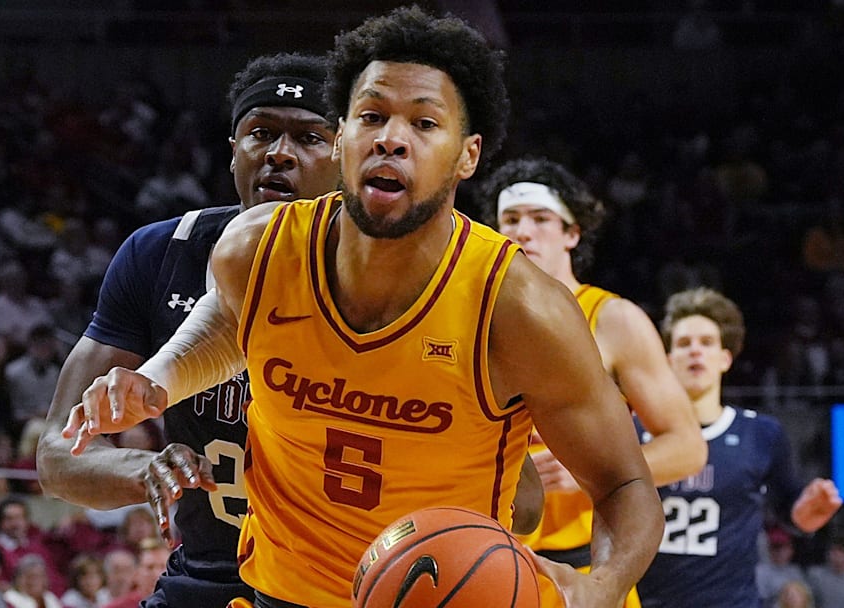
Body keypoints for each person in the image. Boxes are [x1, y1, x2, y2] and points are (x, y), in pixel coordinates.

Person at [63, 6, 664, 607]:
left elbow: (625, 483)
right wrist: (156, 381)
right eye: (372, 116)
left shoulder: (518, 307)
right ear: (344, 133)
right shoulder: (258, 248)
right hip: (277, 593)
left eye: (424, 123)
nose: (391, 138)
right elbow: (228, 326)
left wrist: (604, 587)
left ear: (468, 155)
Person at [37, 52, 341, 607]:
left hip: (342, 586)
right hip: (208, 575)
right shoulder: (161, 253)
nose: (279, 153)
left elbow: (521, 498)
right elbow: (59, 452)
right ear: (233, 153)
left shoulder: (393, 280)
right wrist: (144, 468)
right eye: (261, 133)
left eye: (310, 138)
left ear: (346, 157)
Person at [479, 156, 706, 605]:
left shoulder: (613, 319)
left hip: (584, 566)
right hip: (486, 562)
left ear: (572, 233)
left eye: (541, 219)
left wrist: (584, 470)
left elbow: (687, 446)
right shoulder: (471, 315)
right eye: (510, 219)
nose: (523, 231)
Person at [637, 286, 844, 607]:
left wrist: (805, 517)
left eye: (706, 343)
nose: (695, 352)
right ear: (668, 359)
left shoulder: (761, 434)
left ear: (725, 358)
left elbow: (790, 509)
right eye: (684, 344)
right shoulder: (631, 430)